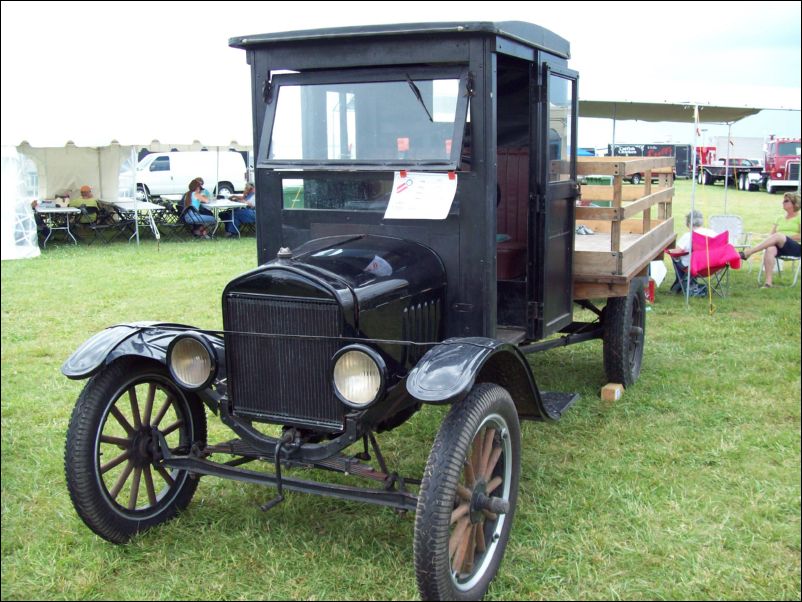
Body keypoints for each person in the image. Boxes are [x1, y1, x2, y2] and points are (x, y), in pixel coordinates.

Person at [739, 191, 801, 288]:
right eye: (783, 201)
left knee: (778, 236)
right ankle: (768, 283)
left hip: (795, 248)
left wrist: (785, 237)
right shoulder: (779, 218)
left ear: (794, 203)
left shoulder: (799, 217)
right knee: (770, 248)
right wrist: (779, 238)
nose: (783, 203)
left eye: (786, 201)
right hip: (779, 246)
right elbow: (771, 235)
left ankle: (749, 252)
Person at [668, 210, 718, 294]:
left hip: (693, 267)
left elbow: (677, 252)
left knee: (674, 257)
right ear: (701, 222)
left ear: (688, 224)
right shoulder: (713, 233)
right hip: (712, 267)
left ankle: (681, 284)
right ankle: (688, 283)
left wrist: (669, 251)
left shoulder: (688, 236)